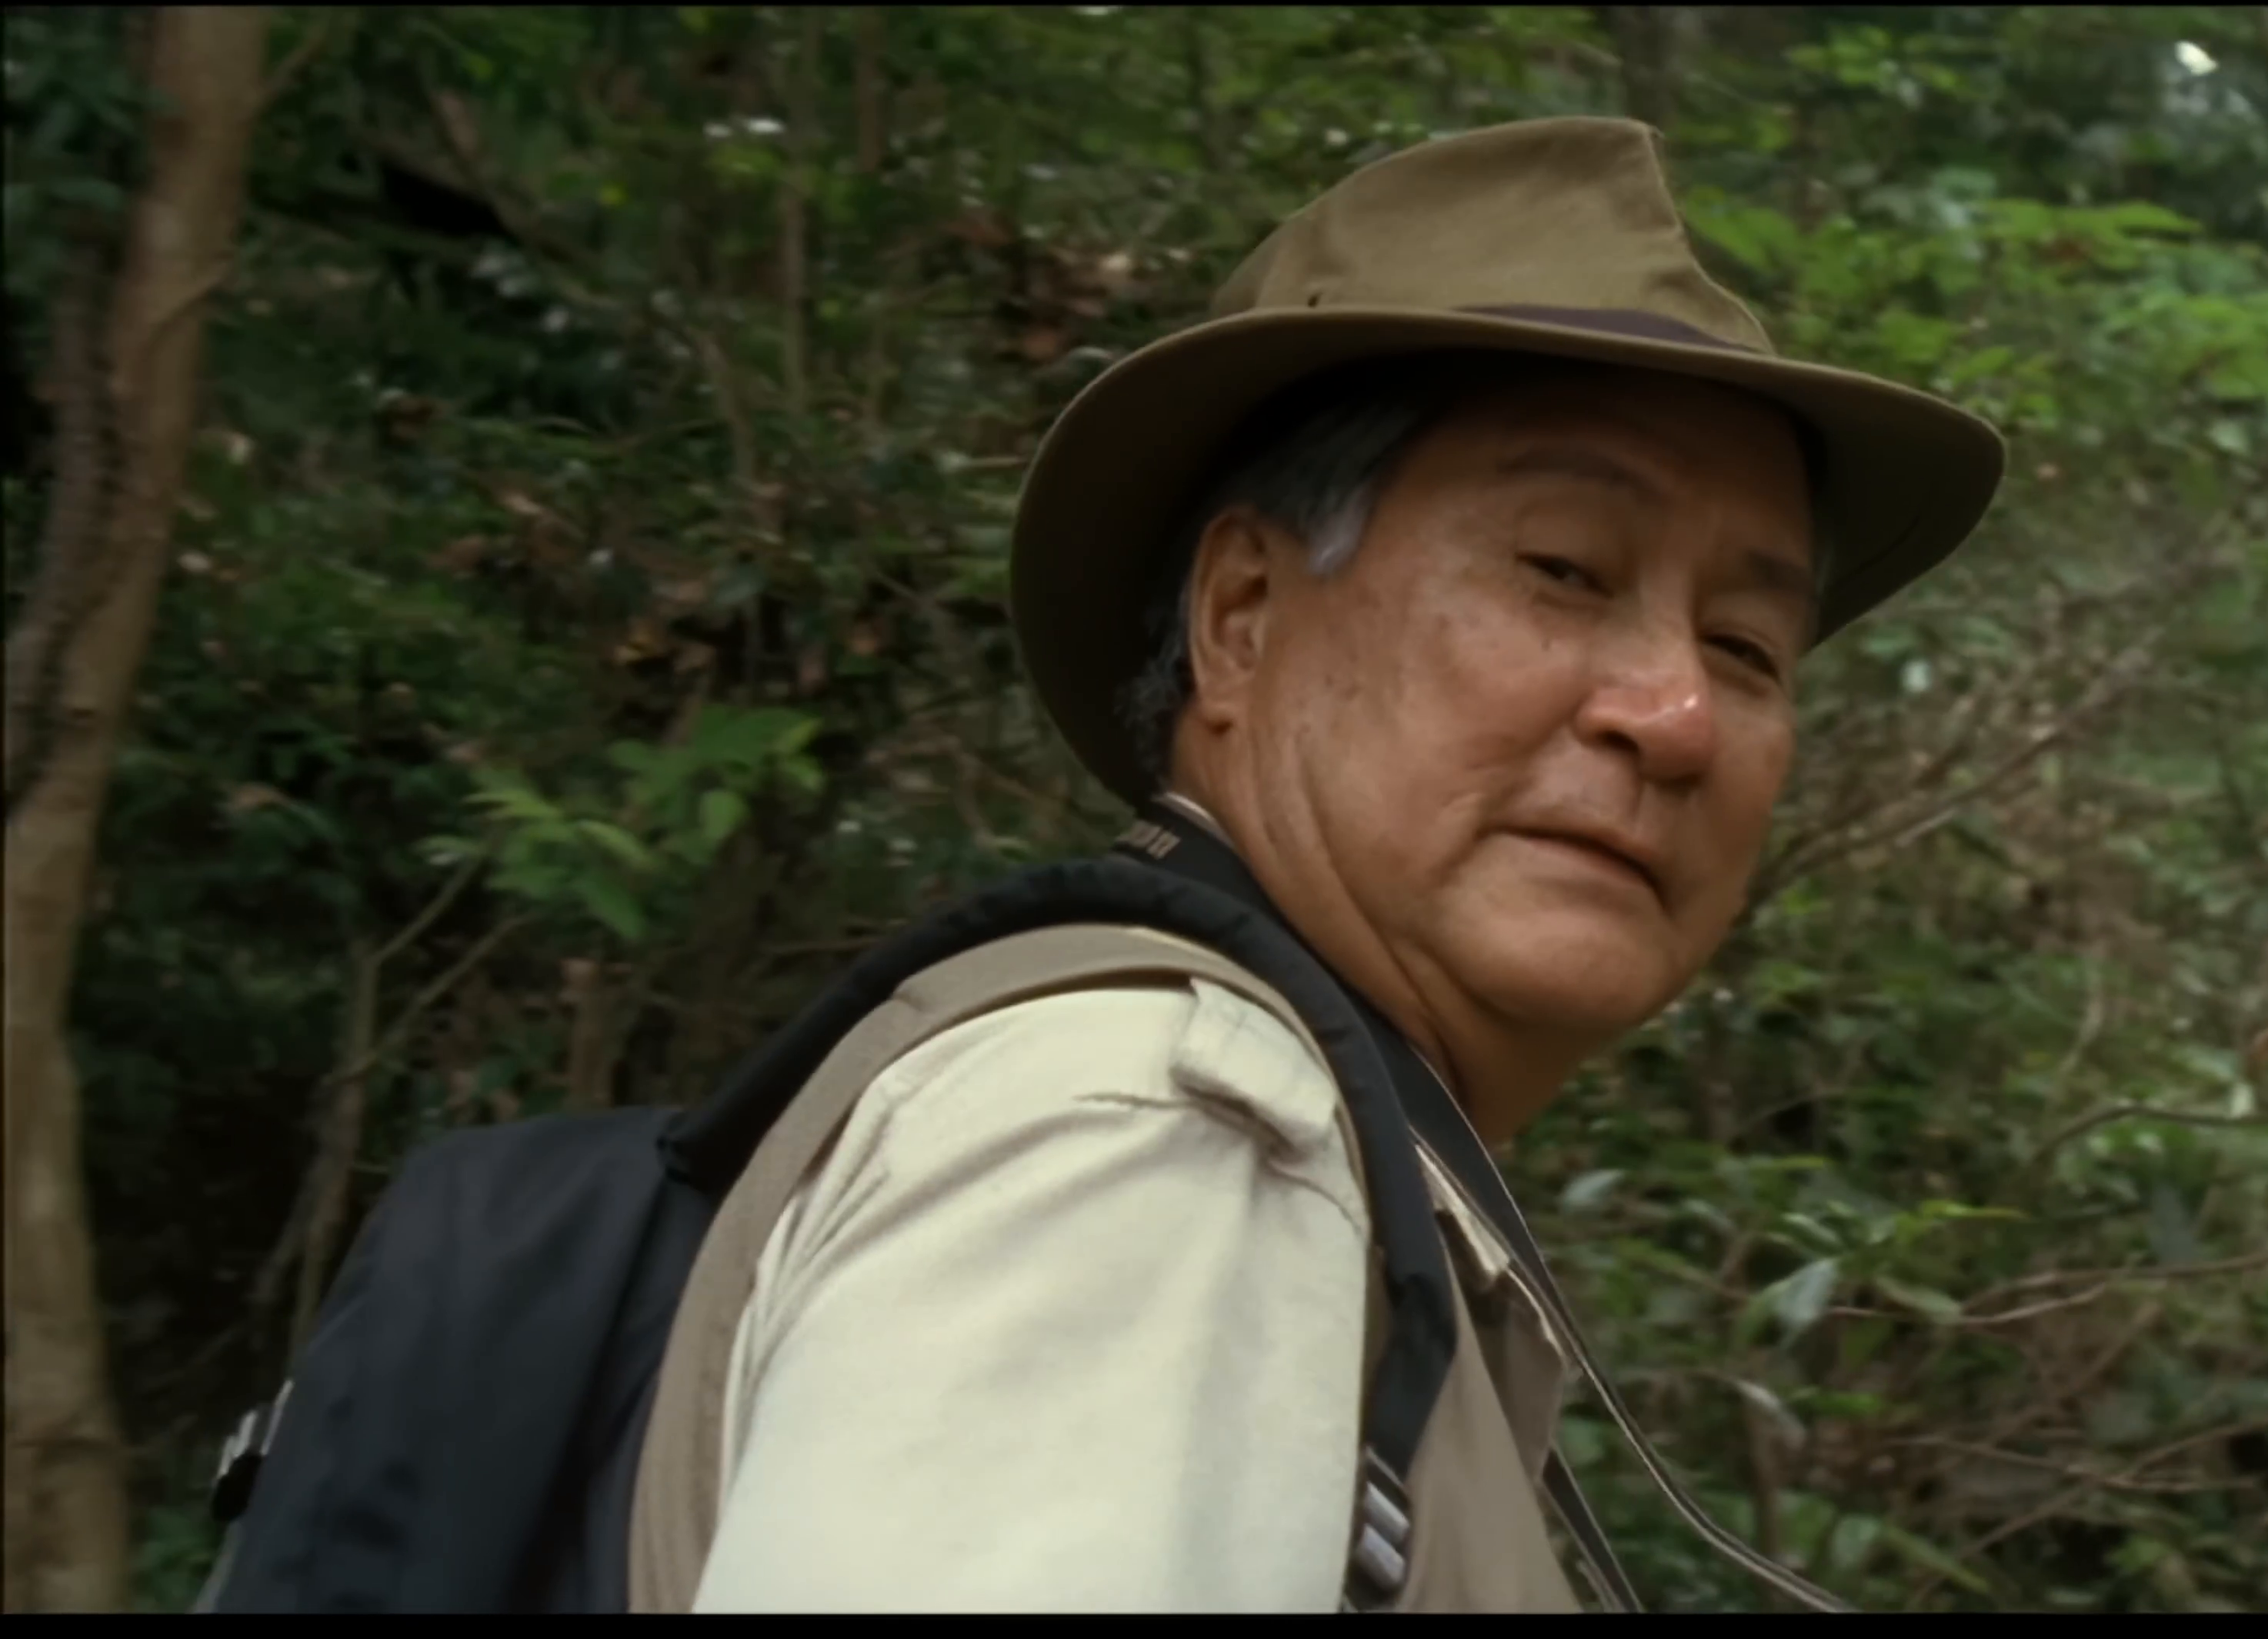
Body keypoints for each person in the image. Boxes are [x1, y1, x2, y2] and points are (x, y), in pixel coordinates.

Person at [662, 115, 2003, 1612]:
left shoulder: (1353, 1193)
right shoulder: (1172, 1137)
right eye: (1563, 569)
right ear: (1241, 616)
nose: (1678, 716)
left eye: (1747, 646)